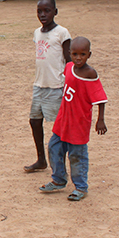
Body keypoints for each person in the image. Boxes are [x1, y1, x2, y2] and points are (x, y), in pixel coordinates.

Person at [38, 37, 107, 201]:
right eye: (75, 54)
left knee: (77, 156)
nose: (78, 58)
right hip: (63, 120)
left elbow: (100, 98)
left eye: (82, 54)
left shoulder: (90, 74)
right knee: (54, 149)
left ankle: (81, 187)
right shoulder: (68, 68)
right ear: (69, 54)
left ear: (89, 55)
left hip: (78, 124)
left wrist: (100, 119)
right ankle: (58, 180)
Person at [24, 0, 72, 173]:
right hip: (39, 85)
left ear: (55, 12)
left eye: (47, 11)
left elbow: (69, 61)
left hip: (56, 86)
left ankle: (60, 164)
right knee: (35, 121)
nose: (43, 14)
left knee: (58, 127)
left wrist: (68, 84)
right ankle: (41, 159)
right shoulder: (37, 33)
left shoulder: (62, 33)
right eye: (39, 11)